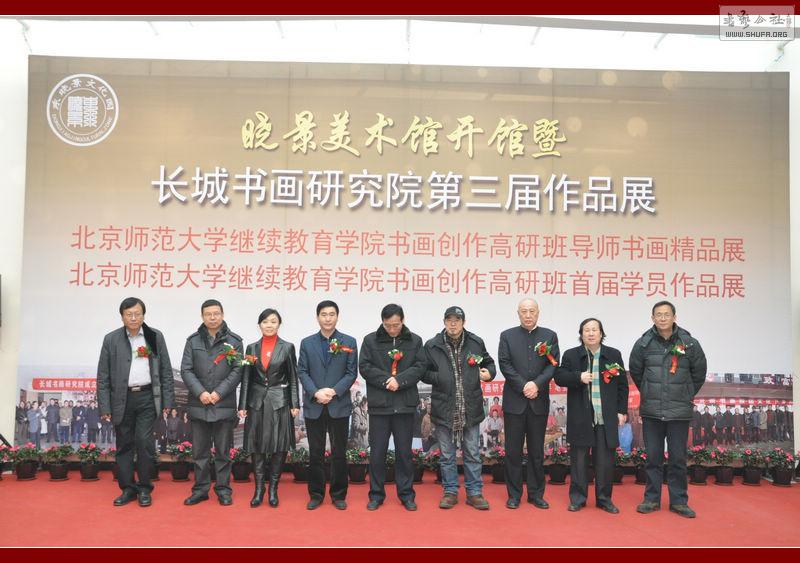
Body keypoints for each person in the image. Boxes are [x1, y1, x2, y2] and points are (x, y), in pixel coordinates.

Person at [629, 300, 707, 519]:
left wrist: (686, 392)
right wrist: (648, 390)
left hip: (678, 411)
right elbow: (636, 371)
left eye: (666, 314)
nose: (662, 318)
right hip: (652, 410)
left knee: (678, 459)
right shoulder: (643, 344)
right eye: (658, 315)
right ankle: (651, 499)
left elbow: (699, 373)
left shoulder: (689, 343)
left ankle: (679, 501)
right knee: (652, 458)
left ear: (674, 317)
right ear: (652, 318)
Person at [96, 296, 175, 508]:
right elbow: (103, 376)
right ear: (122, 316)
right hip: (122, 399)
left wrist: (168, 401)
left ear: (143, 315)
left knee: (144, 443)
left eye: (137, 314)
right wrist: (105, 406)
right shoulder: (111, 339)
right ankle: (128, 489)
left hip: (148, 397)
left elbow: (166, 371)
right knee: (124, 445)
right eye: (129, 314)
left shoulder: (154, 336)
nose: (133, 318)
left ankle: (145, 488)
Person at [423, 306, 496, 510]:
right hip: (444, 407)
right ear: (444, 322)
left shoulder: (475, 342)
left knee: (472, 452)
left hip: (470, 407)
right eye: (449, 320)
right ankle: (450, 492)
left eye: (457, 320)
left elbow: (489, 363)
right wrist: (440, 377)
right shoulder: (432, 345)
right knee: (447, 455)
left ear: (464, 322)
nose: (453, 324)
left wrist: (489, 373)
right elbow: (422, 371)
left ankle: (474, 493)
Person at [555, 318, 629, 514]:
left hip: (605, 417)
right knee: (579, 461)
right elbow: (559, 377)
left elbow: (623, 385)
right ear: (581, 334)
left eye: (594, 329)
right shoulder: (571, 355)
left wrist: (621, 411)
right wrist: (577, 377)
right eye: (586, 330)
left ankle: (604, 499)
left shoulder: (613, 354)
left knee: (605, 462)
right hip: (581, 417)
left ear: (601, 333)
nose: (590, 333)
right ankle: (578, 499)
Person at [359, 303, 426, 511]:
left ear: (402, 320)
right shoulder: (370, 340)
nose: (392, 329)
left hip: (404, 405)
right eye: (388, 325)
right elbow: (365, 367)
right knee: (377, 453)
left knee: (404, 453)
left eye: (396, 325)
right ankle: (376, 494)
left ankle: (406, 494)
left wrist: (400, 380)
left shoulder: (415, 341)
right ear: (382, 322)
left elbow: (420, 366)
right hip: (380, 406)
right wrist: (386, 380)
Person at [180, 299, 244, 507]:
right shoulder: (193, 341)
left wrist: (218, 392)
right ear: (202, 316)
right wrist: (200, 392)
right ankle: (200, 490)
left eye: (216, 313)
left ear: (222, 314)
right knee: (200, 453)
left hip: (223, 405)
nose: (213, 317)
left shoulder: (234, 341)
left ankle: (223, 490)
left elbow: (238, 370)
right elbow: (186, 369)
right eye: (208, 314)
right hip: (199, 404)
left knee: (223, 453)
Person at [498, 298, 559, 510]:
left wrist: (536, 384)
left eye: (532, 311)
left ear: (538, 312)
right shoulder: (507, 336)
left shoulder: (549, 336)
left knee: (536, 452)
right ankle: (514, 494)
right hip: (515, 402)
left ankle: (536, 494)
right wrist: (524, 385)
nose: (528, 315)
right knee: (513, 452)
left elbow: (553, 365)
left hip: (538, 402)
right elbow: (505, 364)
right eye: (524, 311)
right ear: (518, 313)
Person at [297, 300, 358, 510]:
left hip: (338, 404)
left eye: (332, 314)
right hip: (314, 405)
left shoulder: (349, 341)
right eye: (324, 314)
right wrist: (316, 392)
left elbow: (351, 373)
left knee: (339, 453)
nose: (328, 318)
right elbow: (302, 371)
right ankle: (316, 494)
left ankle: (338, 494)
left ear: (337, 316)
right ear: (317, 317)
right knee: (315, 452)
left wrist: (332, 391)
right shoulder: (307, 343)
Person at [238, 308, 299, 508]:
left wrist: (295, 404)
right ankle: (258, 489)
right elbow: (246, 378)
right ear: (259, 325)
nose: (269, 325)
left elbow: (293, 377)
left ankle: (273, 489)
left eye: (273, 321)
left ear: (279, 324)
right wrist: (242, 405)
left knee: (279, 446)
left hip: (279, 402)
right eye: (265, 322)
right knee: (256, 446)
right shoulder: (251, 348)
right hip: (256, 402)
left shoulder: (287, 347)